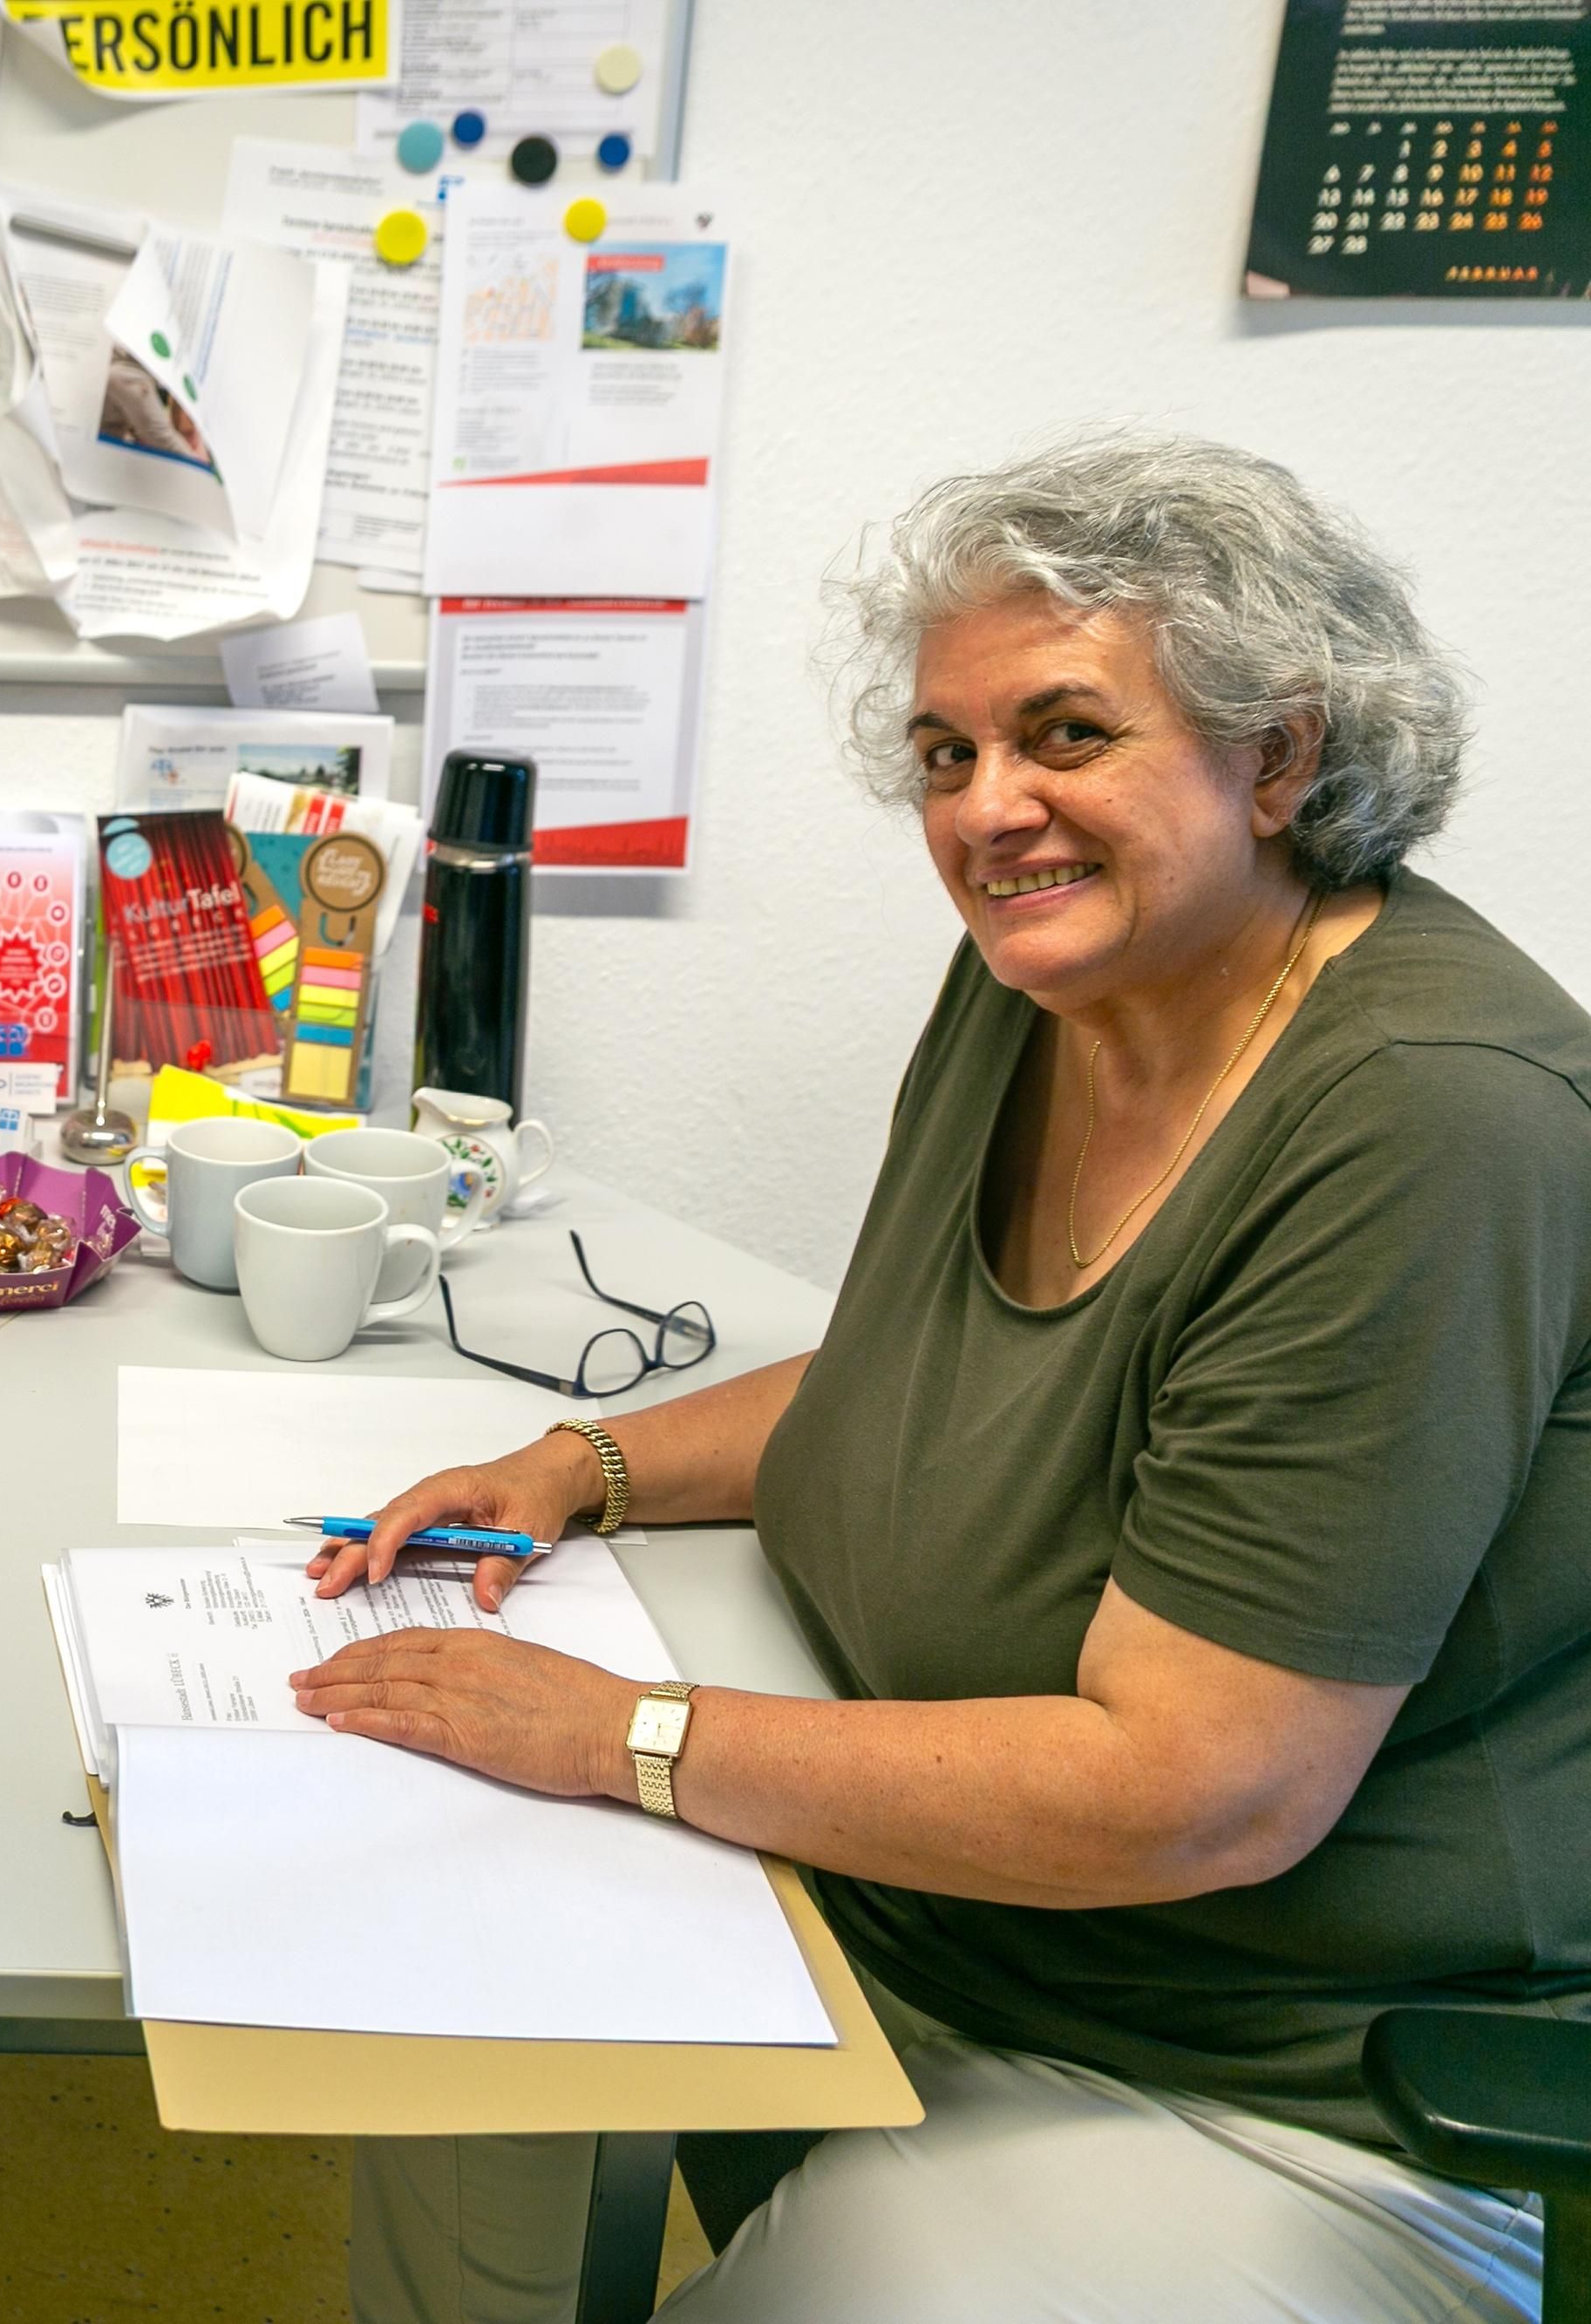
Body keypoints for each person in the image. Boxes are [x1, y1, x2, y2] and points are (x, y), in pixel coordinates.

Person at [309, 431, 1588, 2324]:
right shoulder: (1044, 984)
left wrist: (614, 1735)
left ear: (1278, 757)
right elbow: (934, 1375)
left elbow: (1193, 1793)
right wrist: (585, 1462)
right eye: (941, 753)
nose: (985, 811)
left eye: (1064, 735)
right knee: (429, 2012)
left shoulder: (1423, 1121)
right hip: (918, 1898)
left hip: (1257, 2061)